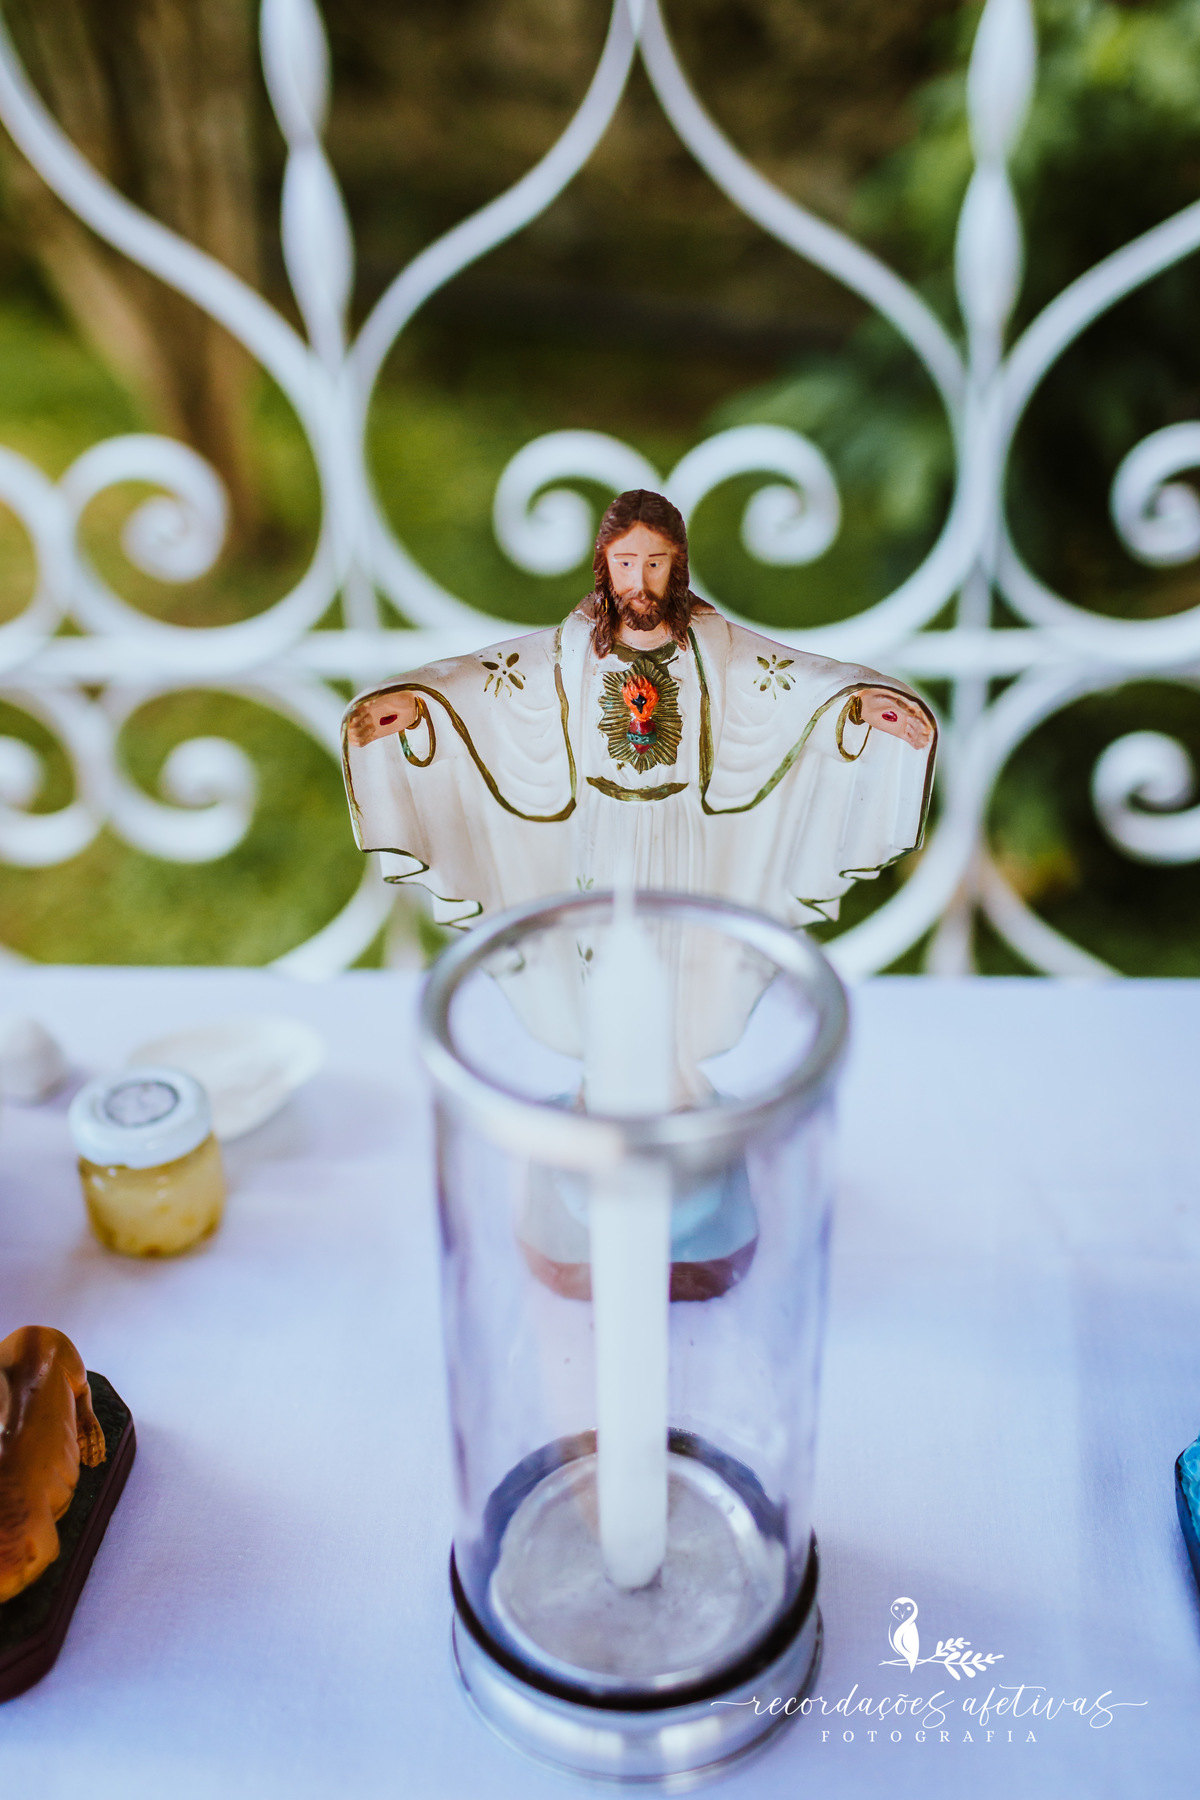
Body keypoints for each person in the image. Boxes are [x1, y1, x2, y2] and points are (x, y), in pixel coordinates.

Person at [342, 488, 935, 932]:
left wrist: (857, 707)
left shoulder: (709, 643)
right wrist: (418, 708)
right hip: (600, 828)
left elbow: (790, 680)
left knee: (677, 950)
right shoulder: (575, 647)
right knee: (600, 948)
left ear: (678, 564)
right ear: (605, 565)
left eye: (655, 563)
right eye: (626, 563)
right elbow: (490, 682)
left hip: (681, 828)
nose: (640, 581)